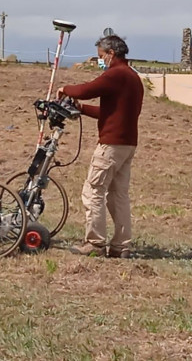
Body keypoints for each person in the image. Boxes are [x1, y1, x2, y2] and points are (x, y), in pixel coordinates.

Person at [57, 34, 143, 258]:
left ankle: (95, 243)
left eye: (101, 56)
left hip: (111, 144)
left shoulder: (116, 74)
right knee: (118, 195)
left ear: (111, 54)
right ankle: (121, 245)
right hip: (127, 143)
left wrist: (65, 89)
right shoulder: (133, 77)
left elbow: (87, 89)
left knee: (93, 190)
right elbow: (112, 113)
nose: (100, 61)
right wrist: (82, 109)